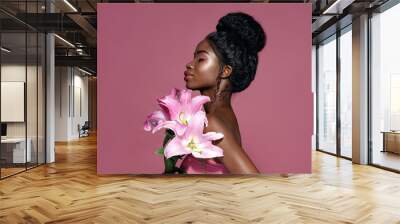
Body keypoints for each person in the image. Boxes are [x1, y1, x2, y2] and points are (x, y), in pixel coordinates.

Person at [181, 12, 266, 174]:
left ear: (225, 70)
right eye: (193, 58)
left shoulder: (213, 122)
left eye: (201, 59)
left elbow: (255, 183)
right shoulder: (222, 115)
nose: (189, 65)